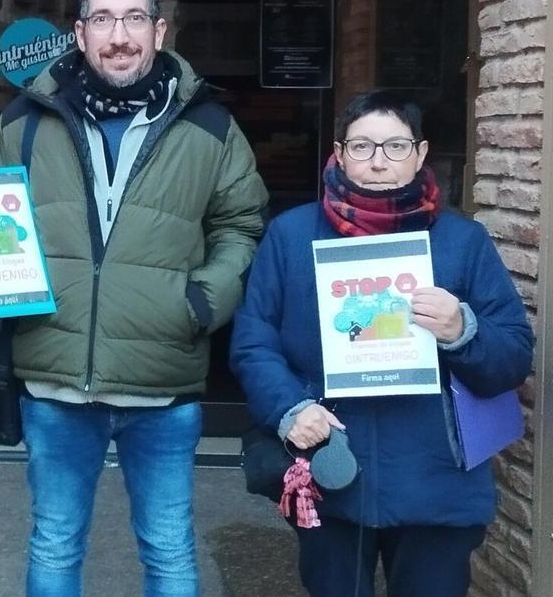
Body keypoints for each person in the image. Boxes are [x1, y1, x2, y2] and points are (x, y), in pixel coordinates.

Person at [0, 0, 268, 596]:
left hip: (162, 380)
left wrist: (200, 302)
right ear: (80, 33)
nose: (120, 35)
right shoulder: (24, 122)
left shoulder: (210, 127)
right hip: (55, 376)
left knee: (169, 546)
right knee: (55, 543)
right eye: (104, 20)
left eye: (135, 18)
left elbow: (241, 226)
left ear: (159, 29)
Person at [229, 90, 534, 597]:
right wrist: (289, 408)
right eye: (363, 147)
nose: (378, 163)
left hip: (436, 481)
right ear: (340, 152)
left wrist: (463, 332)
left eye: (395, 147)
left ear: (419, 154)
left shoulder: (463, 242)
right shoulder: (290, 237)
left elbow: (513, 357)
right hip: (332, 470)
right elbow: (253, 343)